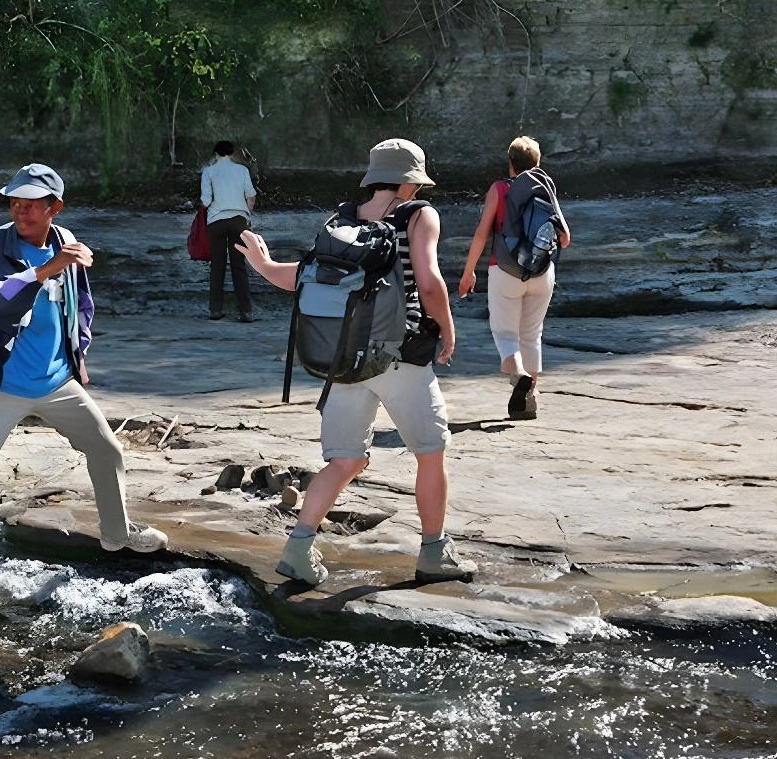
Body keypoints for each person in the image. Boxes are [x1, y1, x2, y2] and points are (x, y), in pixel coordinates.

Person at [0, 164, 168, 617]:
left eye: (30, 203)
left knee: (107, 449)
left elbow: (82, 302)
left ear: (53, 208)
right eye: (14, 202)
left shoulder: (66, 241)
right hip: (2, 385)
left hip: (58, 383)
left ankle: (118, 536)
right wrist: (43, 272)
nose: (20, 210)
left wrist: (80, 346)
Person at [235, 138, 474, 587]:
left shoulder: (342, 221)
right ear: (409, 182)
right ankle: (434, 554)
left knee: (345, 461)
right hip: (400, 357)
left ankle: (298, 550)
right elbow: (429, 281)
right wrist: (446, 328)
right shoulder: (420, 215)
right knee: (430, 453)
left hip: (345, 359)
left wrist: (263, 264)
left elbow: (302, 278)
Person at [457, 136, 572, 420]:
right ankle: (527, 402)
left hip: (504, 270)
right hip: (541, 271)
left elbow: (483, 233)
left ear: (510, 163)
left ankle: (517, 373)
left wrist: (468, 271)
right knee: (532, 336)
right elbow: (565, 239)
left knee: (505, 334)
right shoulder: (545, 188)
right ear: (537, 163)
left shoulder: (499, 189)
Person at [199, 140, 256, 322]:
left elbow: (206, 201)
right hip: (239, 221)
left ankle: (215, 310)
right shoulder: (242, 170)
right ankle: (246, 311)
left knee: (217, 265)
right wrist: (246, 216)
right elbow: (251, 196)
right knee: (238, 266)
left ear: (215, 154)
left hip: (216, 222)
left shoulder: (209, 172)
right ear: (232, 153)